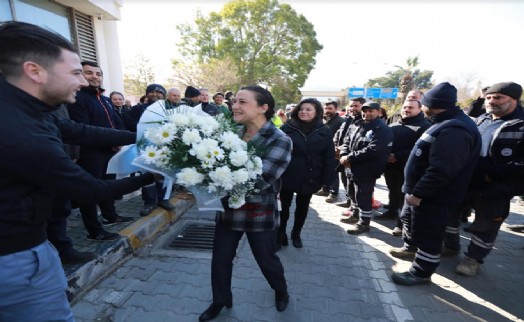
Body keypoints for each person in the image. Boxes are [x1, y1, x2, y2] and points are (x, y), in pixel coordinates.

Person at [0, 21, 158, 321]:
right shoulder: (21, 133)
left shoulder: (22, 107)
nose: (84, 82)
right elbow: (92, 190)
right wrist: (153, 175)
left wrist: (144, 137)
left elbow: (81, 131)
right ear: (35, 71)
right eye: (75, 73)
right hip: (16, 260)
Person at [199, 86, 292, 321]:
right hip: (229, 209)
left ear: (263, 108)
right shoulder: (230, 132)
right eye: (234, 102)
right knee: (220, 259)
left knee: (266, 259)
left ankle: (280, 290)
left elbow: (262, 180)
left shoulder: (279, 140)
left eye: (242, 102)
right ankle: (220, 300)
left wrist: (215, 178)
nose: (235, 106)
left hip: (259, 210)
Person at [390, 82, 481, 286]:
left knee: (429, 235)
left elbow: (442, 170)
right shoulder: (444, 122)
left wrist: (419, 193)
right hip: (425, 194)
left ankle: (421, 273)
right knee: (419, 229)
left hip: (433, 196)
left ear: (433, 104)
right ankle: (415, 256)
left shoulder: (455, 129)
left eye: (422, 103)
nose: (420, 107)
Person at [453, 82, 524, 276]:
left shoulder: (521, 123)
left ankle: (473, 259)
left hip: (499, 184)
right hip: (469, 178)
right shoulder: (481, 119)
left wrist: (493, 173)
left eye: (499, 97)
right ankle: (450, 247)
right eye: (489, 97)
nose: (492, 101)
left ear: (514, 100)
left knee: (487, 223)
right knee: (453, 213)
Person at [68, 61, 135, 241]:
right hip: (90, 153)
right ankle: (94, 230)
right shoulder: (78, 98)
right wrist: (111, 141)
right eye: (88, 73)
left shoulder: (104, 99)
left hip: (110, 151)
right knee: (89, 191)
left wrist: (119, 141)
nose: (94, 77)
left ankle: (110, 216)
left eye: (98, 74)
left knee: (108, 186)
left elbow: (116, 123)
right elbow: (83, 129)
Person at [278, 98, 336, 248]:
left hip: (310, 174)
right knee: (283, 207)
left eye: (308, 109)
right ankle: (280, 233)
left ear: (317, 113)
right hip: (288, 173)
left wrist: (326, 180)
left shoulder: (324, 131)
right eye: (302, 109)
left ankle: (296, 233)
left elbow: (329, 157)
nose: (304, 112)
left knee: (302, 207)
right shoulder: (287, 127)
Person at [375, 99, 431, 237]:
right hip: (390, 166)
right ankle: (391, 212)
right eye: (405, 107)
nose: (406, 109)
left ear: (420, 109)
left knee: (403, 196)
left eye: (411, 107)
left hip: (408, 168)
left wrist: (398, 156)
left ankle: (402, 224)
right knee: (392, 190)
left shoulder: (424, 126)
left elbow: (421, 148)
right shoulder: (393, 123)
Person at [338, 102, 393, 234]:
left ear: (378, 112)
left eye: (371, 111)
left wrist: (350, 157)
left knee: (364, 196)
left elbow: (374, 150)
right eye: (365, 111)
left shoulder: (382, 129)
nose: (367, 113)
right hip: (351, 167)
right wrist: (344, 154)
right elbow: (346, 141)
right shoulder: (356, 124)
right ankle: (355, 215)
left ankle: (364, 224)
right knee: (352, 193)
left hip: (368, 169)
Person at [332, 97, 365, 209]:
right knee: (345, 180)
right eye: (351, 106)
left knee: (354, 186)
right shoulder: (348, 119)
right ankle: (349, 201)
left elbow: (358, 141)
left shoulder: (363, 121)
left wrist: (344, 150)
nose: (352, 108)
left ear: (362, 107)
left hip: (353, 158)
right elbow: (339, 134)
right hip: (342, 155)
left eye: (356, 106)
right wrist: (336, 146)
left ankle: (355, 209)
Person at [316, 100, 345, 203]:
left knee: (333, 172)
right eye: (326, 108)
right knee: (324, 170)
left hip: (334, 151)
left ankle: (334, 193)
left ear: (336, 109)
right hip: (321, 150)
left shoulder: (341, 121)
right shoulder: (322, 120)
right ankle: (325, 189)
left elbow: (343, 137)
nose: (327, 111)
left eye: (330, 108)